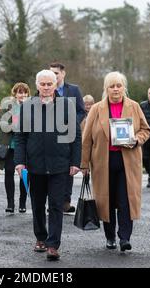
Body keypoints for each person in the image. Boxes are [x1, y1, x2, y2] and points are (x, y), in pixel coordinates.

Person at [14, 70, 82, 261]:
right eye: (42, 84)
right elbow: (20, 137)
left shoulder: (66, 106)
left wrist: (75, 162)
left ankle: (53, 245)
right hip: (34, 166)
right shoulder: (27, 107)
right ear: (37, 85)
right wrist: (20, 162)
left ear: (55, 85)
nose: (45, 87)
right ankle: (41, 238)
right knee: (37, 204)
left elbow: (76, 137)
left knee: (55, 205)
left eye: (49, 84)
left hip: (60, 165)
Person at [81, 71, 150, 252]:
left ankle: (125, 237)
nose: (115, 89)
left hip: (128, 161)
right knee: (107, 201)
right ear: (106, 89)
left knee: (126, 200)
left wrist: (136, 139)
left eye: (119, 85)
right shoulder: (97, 109)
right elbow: (86, 138)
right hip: (103, 162)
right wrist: (84, 164)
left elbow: (146, 130)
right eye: (112, 86)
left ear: (124, 88)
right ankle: (110, 236)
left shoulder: (134, 106)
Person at [50, 62, 86, 214]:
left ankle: (65, 200)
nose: (54, 76)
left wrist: (72, 123)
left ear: (63, 74)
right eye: (51, 73)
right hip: (50, 134)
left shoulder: (73, 90)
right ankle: (52, 201)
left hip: (68, 133)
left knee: (68, 167)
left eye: (56, 73)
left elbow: (81, 110)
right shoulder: (45, 89)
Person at [0, 82, 31, 214]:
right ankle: (10, 203)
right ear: (14, 94)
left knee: (24, 174)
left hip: (26, 147)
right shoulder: (7, 106)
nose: (23, 95)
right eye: (20, 92)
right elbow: (1, 122)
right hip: (10, 145)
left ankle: (22, 202)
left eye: (25, 92)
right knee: (8, 173)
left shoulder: (31, 106)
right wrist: (13, 125)